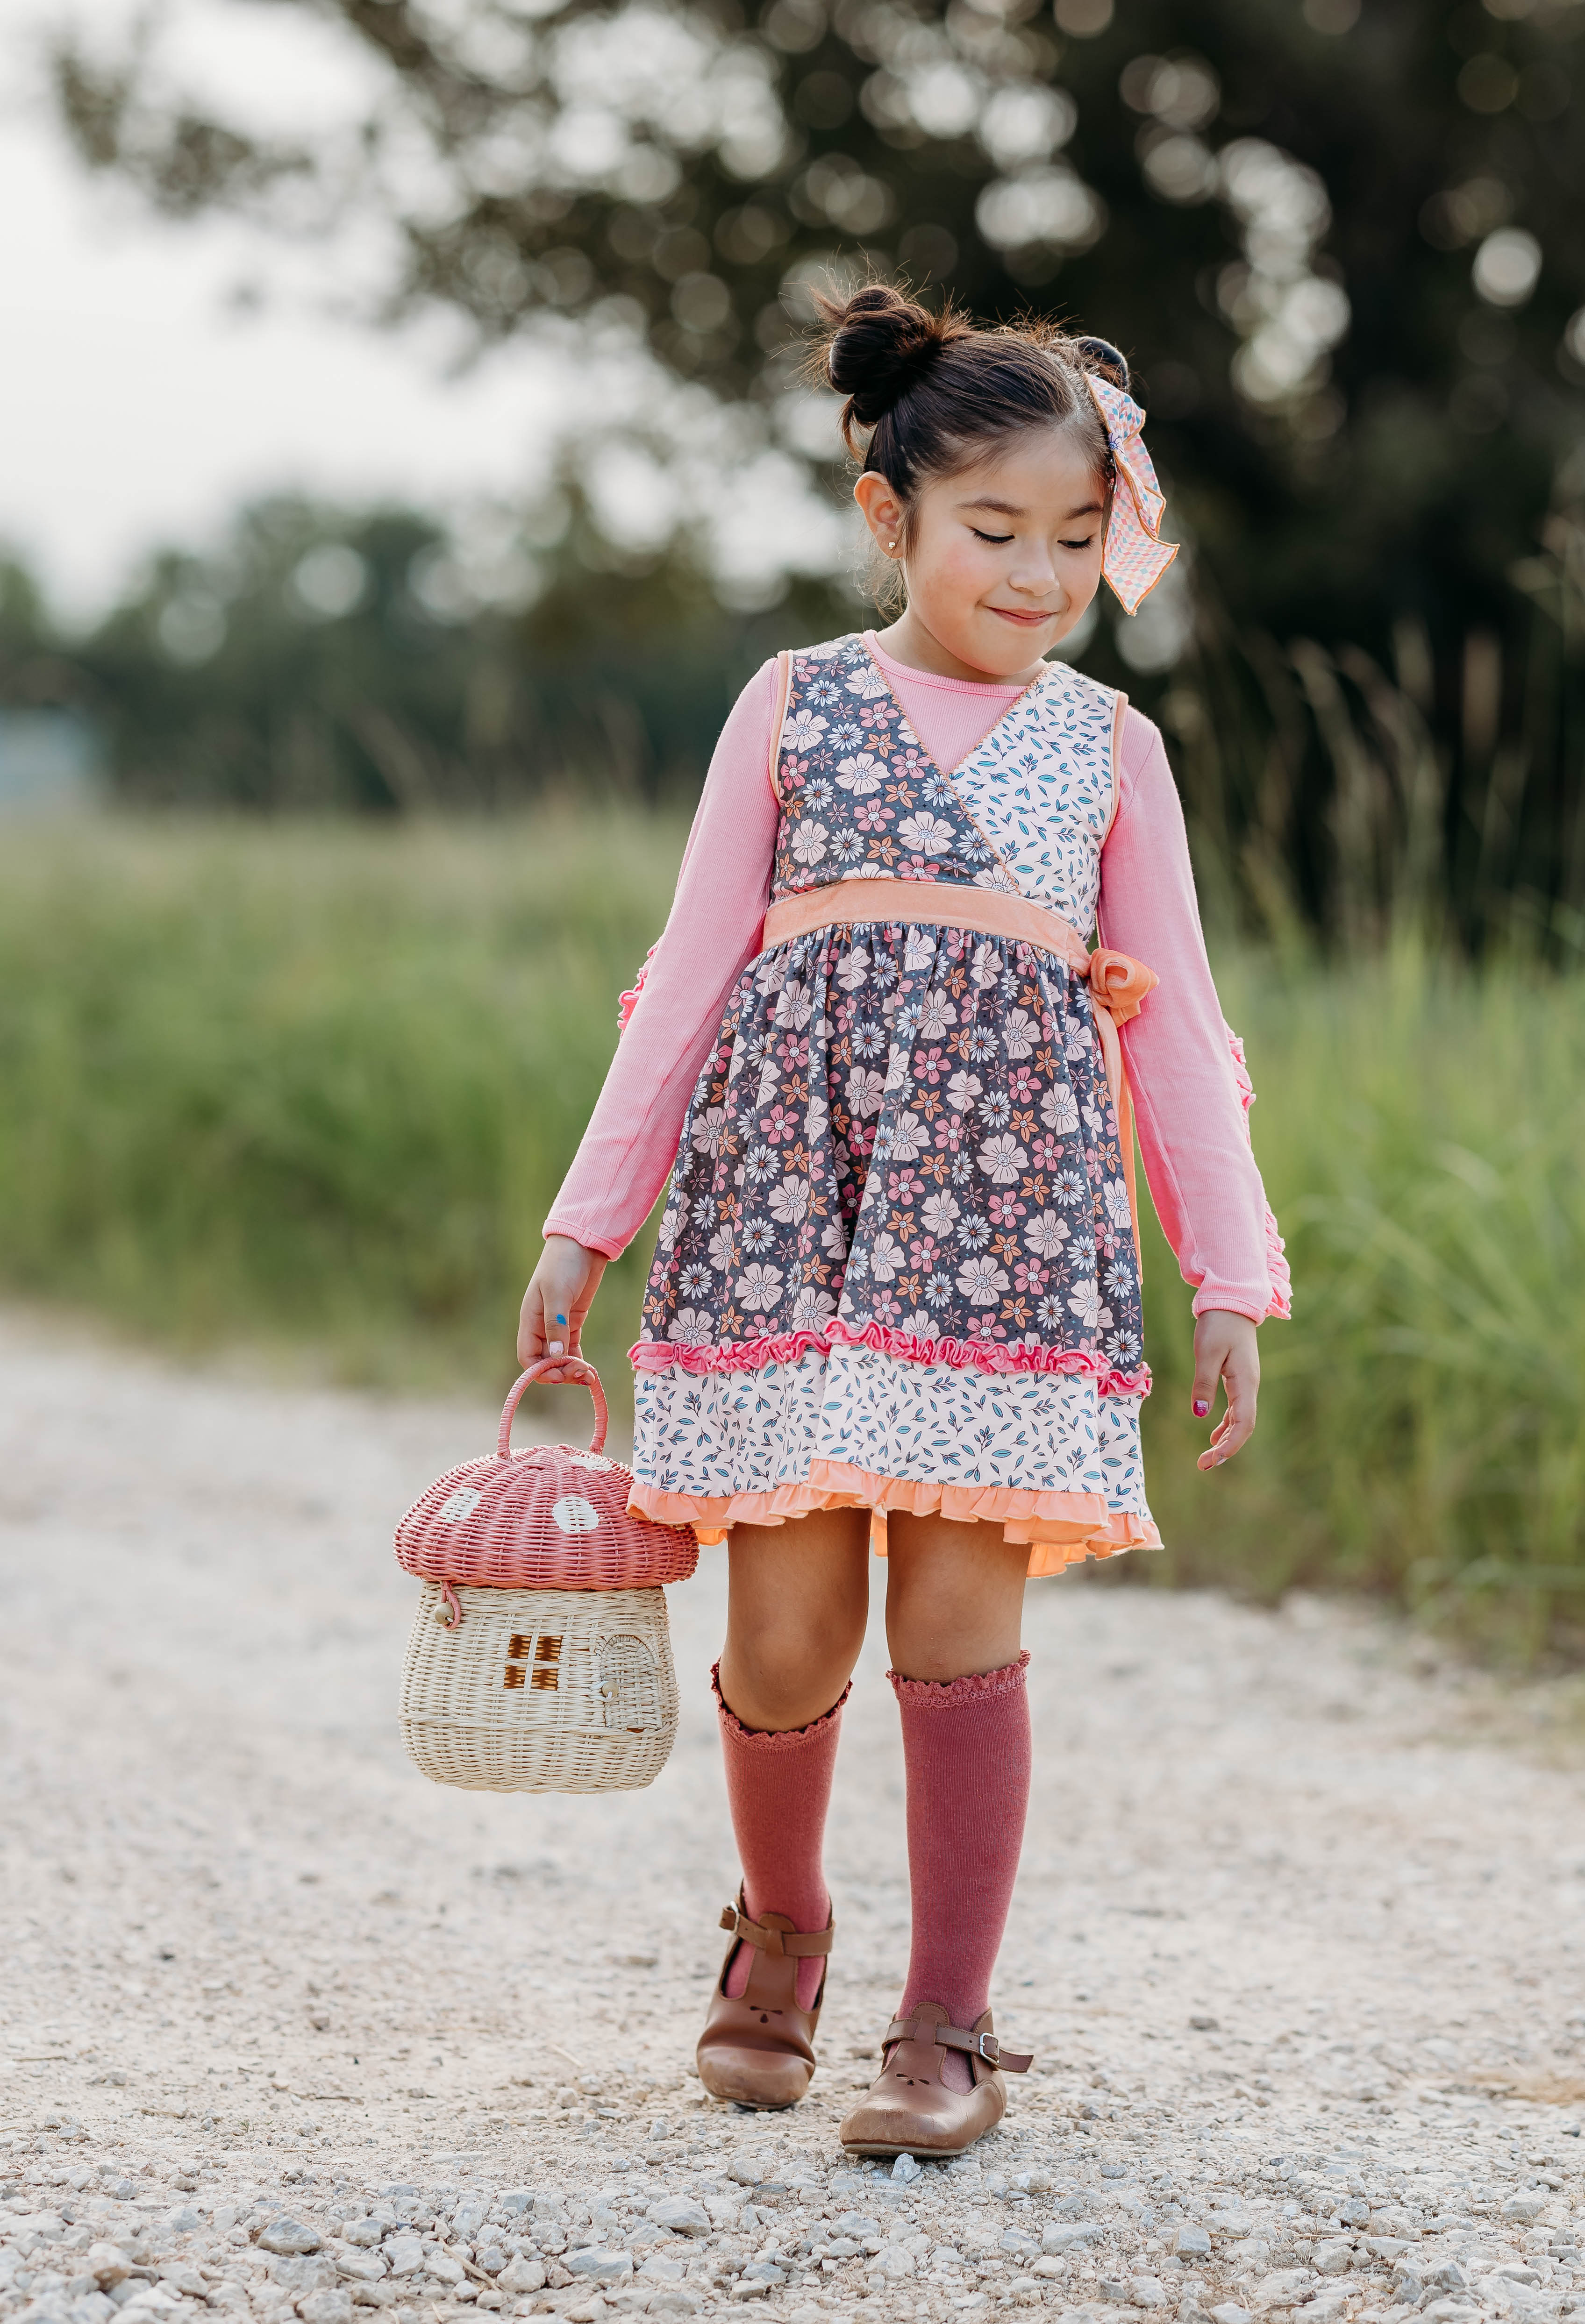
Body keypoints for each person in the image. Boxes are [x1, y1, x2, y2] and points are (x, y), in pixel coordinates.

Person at [517, 283, 1290, 2158]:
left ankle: (945, 2017)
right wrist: (584, 1221)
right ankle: (780, 1923)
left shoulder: (1109, 749)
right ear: (893, 520)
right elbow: (691, 972)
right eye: (993, 532)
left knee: (957, 1621)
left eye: (1074, 539)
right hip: (784, 1221)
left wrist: (1229, 1270)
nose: (1035, 576)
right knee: (785, 1632)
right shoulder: (791, 705)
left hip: (1010, 1245)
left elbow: (1175, 1015)